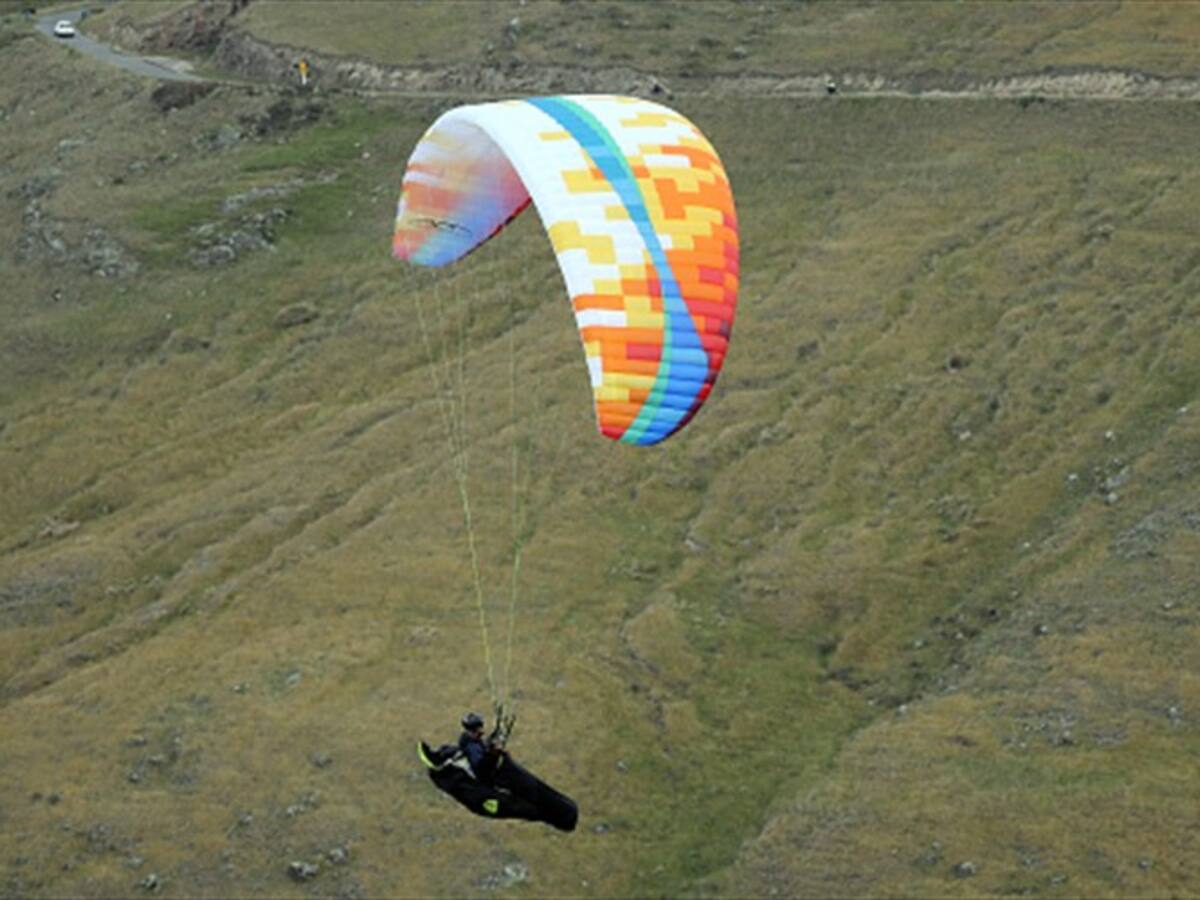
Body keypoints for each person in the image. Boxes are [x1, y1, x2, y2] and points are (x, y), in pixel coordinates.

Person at [457, 711, 504, 782]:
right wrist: (493, 753)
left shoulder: (474, 741)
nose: (481, 732)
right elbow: (481, 768)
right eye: (477, 729)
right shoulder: (471, 747)